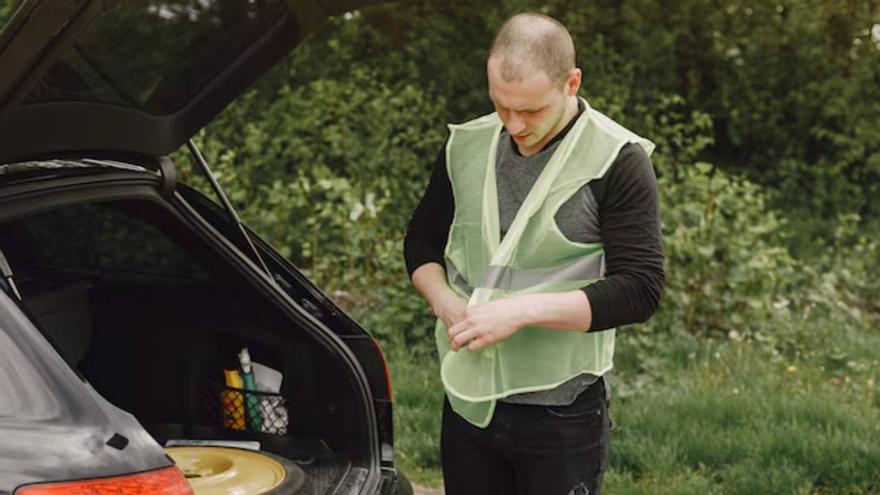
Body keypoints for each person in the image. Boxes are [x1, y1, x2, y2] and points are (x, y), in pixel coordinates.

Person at [404, 12, 664, 495]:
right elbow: (421, 240)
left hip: (560, 410)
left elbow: (640, 289)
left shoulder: (616, 160)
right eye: (501, 106)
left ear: (572, 82)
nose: (515, 125)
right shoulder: (467, 144)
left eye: (532, 111)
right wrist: (442, 300)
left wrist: (519, 312)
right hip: (470, 398)